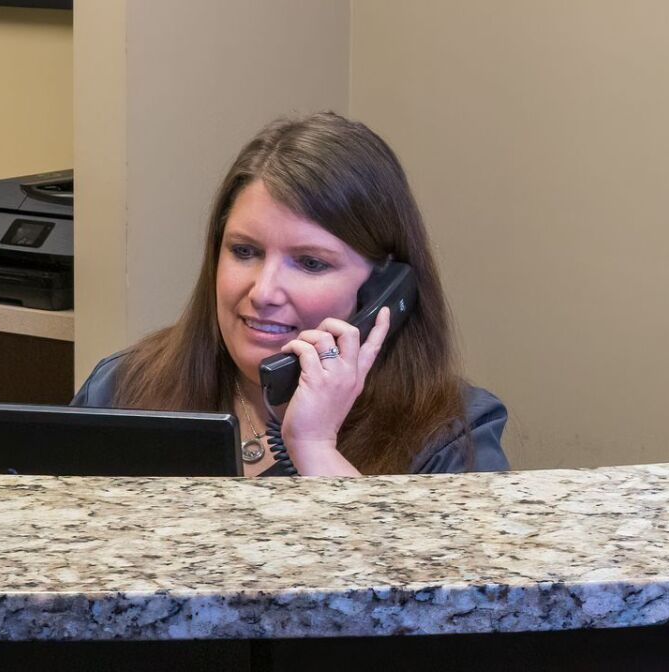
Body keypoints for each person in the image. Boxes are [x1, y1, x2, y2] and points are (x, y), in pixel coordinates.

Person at [73, 112, 509, 476]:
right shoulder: (122, 388)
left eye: (310, 262)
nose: (263, 292)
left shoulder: (453, 435)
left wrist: (315, 447)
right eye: (245, 252)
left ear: (384, 290)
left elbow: (426, 581)